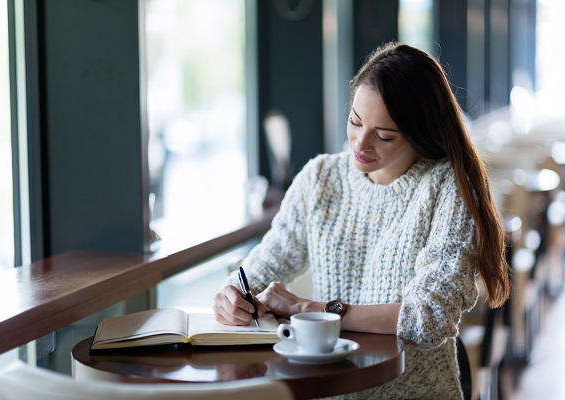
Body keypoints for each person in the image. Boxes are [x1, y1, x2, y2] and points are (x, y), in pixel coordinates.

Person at [213, 41, 510, 399]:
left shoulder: (448, 187)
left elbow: (429, 317)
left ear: (420, 134)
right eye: (355, 121)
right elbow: (263, 266)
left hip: (412, 392)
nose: (360, 144)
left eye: (384, 136)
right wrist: (233, 296)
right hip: (326, 390)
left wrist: (311, 310)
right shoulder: (321, 177)